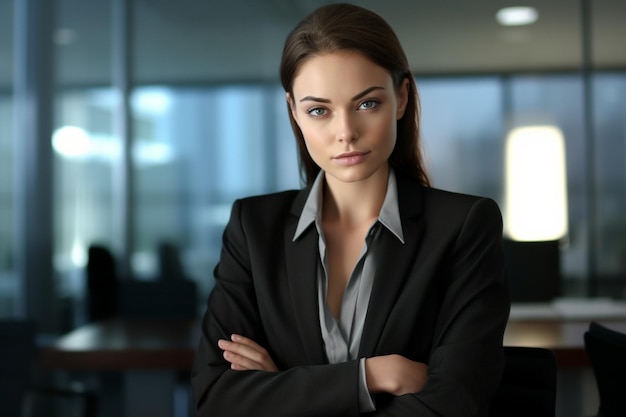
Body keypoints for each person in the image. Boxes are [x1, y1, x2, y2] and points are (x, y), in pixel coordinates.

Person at [191, 3, 510, 416]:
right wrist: (372, 376)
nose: (345, 133)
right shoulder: (253, 229)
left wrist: (281, 389)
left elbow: (451, 404)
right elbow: (215, 397)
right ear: (294, 111)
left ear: (401, 98)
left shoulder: (464, 227)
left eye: (366, 104)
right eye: (318, 110)